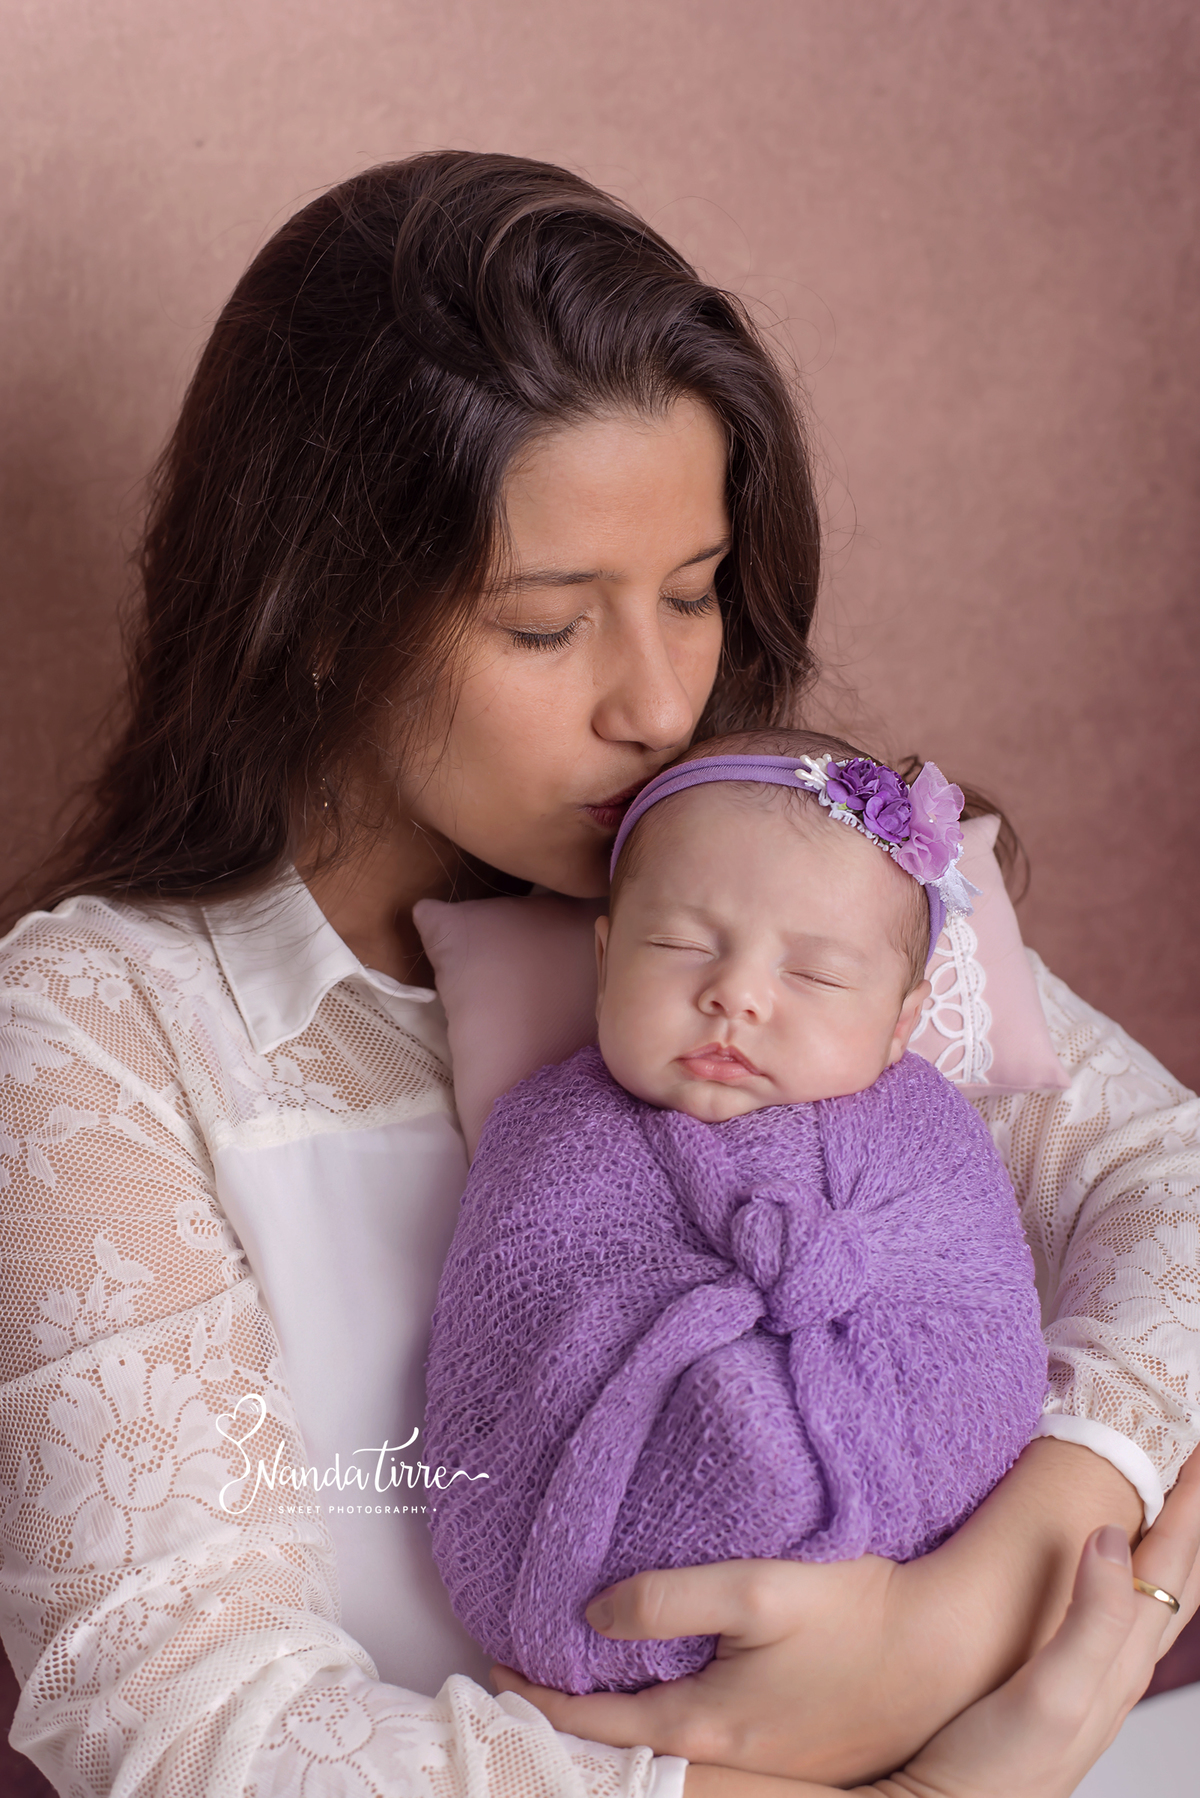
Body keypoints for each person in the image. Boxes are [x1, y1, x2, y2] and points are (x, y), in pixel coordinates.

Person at [0, 150, 1196, 1797]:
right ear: (320, 611)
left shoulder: (764, 886)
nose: (659, 702)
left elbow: (1179, 1189)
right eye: (551, 623)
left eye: (694, 594)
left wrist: (974, 1604)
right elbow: (193, 1724)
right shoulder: (106, 1027)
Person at [424, 730, 1049, 1699]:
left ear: (897, 1023)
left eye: (816, 975)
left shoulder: (927, 1132)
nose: (735, 996)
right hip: (619, 1575)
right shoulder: (550, 1132)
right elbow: (513, 1319)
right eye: (678, 945)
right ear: (605, 957)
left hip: (910, 1621)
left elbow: (981, 1319)